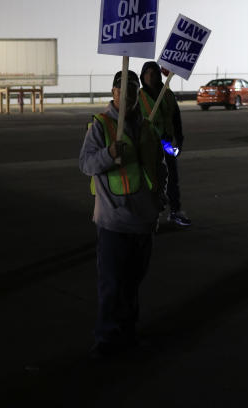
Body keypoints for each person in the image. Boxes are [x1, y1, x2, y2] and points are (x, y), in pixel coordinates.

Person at [79, 69, 164, 358]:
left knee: (132, 284)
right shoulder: (100, 126)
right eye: (122, 90)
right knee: (112, 285)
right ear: (113, 93)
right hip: (114, 222)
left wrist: (160, 195)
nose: (126, 96)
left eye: (132, 91)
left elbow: (158, 165)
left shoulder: (147, 127)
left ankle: (128, 333)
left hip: (143, 221)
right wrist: (108, 154)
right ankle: (106, 339)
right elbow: (85, 164)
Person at [138, 61, 191, 227]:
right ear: (142, 76)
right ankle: (150, 214)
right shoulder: (138, 97)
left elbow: (176, 118)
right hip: (149, 145)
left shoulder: (168, 94)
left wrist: (179, 140)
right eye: (148, 73)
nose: (151, 76)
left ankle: (175, 211)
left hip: (167, 144)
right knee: (150, 181)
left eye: (154, 72)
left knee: (172, 177)